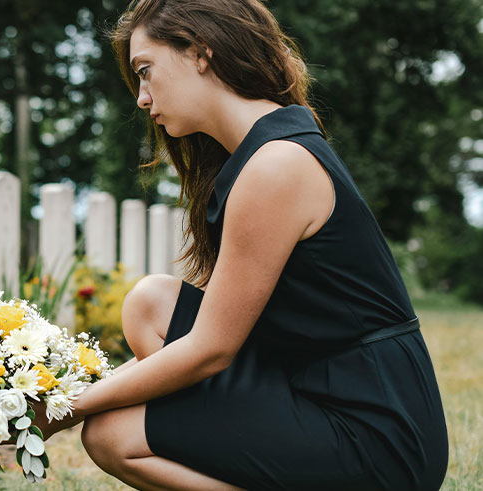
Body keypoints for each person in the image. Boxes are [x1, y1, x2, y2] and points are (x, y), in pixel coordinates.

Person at [32, 0, 449, 489]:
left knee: (112, 434)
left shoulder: (275, 165)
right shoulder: (262, 150)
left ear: (201, 53)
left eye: (146, 71)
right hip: (313, 385)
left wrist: (61, 410)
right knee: (151, 305)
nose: (142, 98)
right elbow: (206, 328)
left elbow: (210, 350)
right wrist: (62, 391)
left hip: (377, 433)